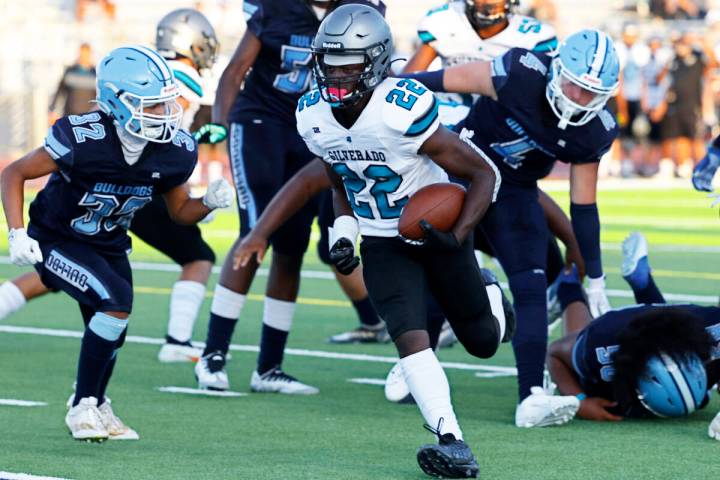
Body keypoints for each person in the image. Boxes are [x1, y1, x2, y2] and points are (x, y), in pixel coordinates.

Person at [235, 5, 513, 477]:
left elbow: (483, 173)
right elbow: (340, 174)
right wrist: (345, 230)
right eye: (330, 63)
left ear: (378, 61)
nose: (337, 75)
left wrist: (459, 234)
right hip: (383, 242)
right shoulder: (313, 113)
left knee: (483, 341)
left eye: (350, 65)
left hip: (437, 231)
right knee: (411, 340)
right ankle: (453, 440)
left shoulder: (399, 107)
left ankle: (488, 291)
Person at [1, 46, 233, 441]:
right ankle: (84, 406)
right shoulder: (83, 137)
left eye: (164, 105)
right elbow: (15, 173)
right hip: (57, 238)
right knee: (115, 305)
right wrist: (17, 232)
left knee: (112, 326)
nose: (164, 115)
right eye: (154, 106)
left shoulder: (173, 150)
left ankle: (96, 401)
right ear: (118, 103)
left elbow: (179, 213)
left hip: (108, 242)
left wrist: (207, 202)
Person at [402, 29, 619, 427]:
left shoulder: (596, 128)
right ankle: (417, 362)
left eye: (592, 92)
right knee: (439, 266)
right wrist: (388, 90)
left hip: (514, 192)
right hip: (462, 173)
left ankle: (531, 397)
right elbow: (436, 81)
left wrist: (598, 279)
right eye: (575, 85)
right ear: (558, 70)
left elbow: (583, 204)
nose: (580, 99)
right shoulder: (520, 73)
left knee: (531, 283)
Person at [193, 0, 387, 395]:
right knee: (254, 233)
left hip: (314, 127)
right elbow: (234, 73)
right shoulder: (276, 8)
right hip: (261, 120)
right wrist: (218, 125)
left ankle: (269, 368)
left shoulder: (361, 11)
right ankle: (213, 355)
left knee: (292, 247)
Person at [547, 232, 720, 439]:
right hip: (610, 334)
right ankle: (569, 284)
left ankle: (644, 283)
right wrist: (580, 400)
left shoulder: (711, 333)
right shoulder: (601, 351)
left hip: (686, 325)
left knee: (700, 398)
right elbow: (554, 353)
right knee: (581, 351)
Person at [49, 43, 97, 122]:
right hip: (69, 115)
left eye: (86, 54)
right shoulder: (70, 71)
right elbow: (59, 91)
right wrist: (52, 110)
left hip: (88, 117)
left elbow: (98, 98)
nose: (84, 57)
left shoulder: (95, 74)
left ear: (90, 54)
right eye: (82, 54)